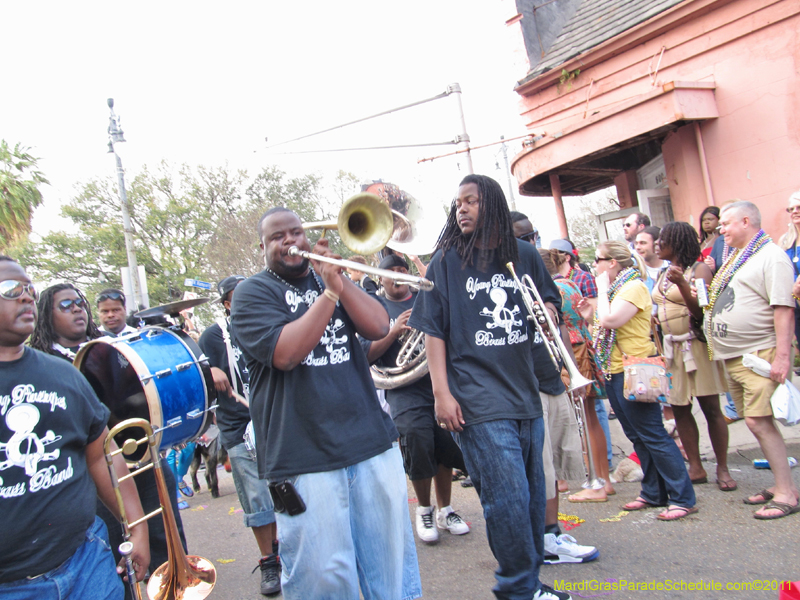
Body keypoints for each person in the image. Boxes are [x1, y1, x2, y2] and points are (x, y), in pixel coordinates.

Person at [230, 207, 421, 600]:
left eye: (296, 233)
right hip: (304, 457)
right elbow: (286, 353)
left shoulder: (327, 279)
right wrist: (330, 292)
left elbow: (378, 326)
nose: (290, 242)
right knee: (324, 579)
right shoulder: (253, 293)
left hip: (369, 443)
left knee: (388, 568)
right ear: (262, 247)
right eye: (277, 237)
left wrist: (336, 281)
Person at [409, 174, 570, 600]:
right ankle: (516, 589)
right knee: (508, 501)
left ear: (494, 205)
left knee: (534, 500)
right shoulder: (446, 260)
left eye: (472, 201)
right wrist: (442, 393)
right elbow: (433, 330)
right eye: (457, 202)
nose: (461, 208)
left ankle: (530, 583)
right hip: (477, 400)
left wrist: (549, 312)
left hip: (525, 395)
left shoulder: (524, 254)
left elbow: (549, 299)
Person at [0, 256, 149, 598]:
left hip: (86, 563)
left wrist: (137, 527)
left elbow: (102, 455)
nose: (25, 297)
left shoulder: (63, 374)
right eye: (11, 290)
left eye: (28, 289)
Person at [29, 283, 188, 597]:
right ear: (46, 315)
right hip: (97, 478)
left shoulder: (111, 349)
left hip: (140, 461)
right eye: (65, 305)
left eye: (79, 303)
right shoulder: (42, 364)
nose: (77, 308)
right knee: (121, 558)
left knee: (166, 545)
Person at [579, 241, 697, 521]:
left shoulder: (633, 287)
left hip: (635, 369)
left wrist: (601, 292)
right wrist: (590, 315)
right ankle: (653, 492)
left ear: (613, 263)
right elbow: (603, 324)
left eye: (598, 259)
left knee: (653, 434)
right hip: (615, 368)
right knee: (637, 435)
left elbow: (610, 320)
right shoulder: (620, 288)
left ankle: (683, 497)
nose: (595, 265)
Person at [363, 254, 470, 544]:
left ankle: (445, 509)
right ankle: (424, 509)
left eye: (402, 269)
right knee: (417, 441)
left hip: (437, 381)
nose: (398, 274)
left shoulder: (425, 298)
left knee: (444, 442)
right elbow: (365, 356)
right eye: (391, 271)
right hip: (402, 389)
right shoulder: (374, 308)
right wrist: (393, 331)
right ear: (380, 278)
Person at [705, 201, 800, 519]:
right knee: (756, 422)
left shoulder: (771, 256)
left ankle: (787, 493)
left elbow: (783, 308)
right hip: (736, 356)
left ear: (746, 221)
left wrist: (783, 358)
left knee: (760, 422)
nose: (721, 230)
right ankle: (778, 484)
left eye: (726, 224)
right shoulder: (736, 257)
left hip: (760, 354)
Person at [198, 275, 281, 595]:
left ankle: (287, 550)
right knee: (257, 498)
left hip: (275, 420)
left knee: (287, 493)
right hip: (237, 426)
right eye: (238, 296)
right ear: (228, 304)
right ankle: (269, 561)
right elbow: (192, 368)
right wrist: (209, 370)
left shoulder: (269, 324)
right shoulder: (212, 336)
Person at [653, 222, 736, 491]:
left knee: (711, 408)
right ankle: (696, 467)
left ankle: (722, 468)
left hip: (696, 347)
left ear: (676, 243)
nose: (657, 244)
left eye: (662, 239)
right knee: (679, 408)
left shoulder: (698, 270)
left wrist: (682, 285)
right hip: (672, 350)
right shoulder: (662, 273)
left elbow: (702, 310)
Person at [537, 249, 614, 504]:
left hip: (571, 353)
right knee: (591, 418)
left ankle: (595, 482)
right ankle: (604, 480)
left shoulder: (552, 291)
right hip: (584, 349)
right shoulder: (569, 283)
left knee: (581, 421)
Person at [778, 191, 800, 353]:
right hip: (795, 301)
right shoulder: (785, 240)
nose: (794, 211)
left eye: (798, 207)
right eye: (791, 209)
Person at [634, 226, 669, 293]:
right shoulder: (634, 272)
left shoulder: (672, 267)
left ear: (657, 244)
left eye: (643, 243)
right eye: (636, 243)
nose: (637, 247)